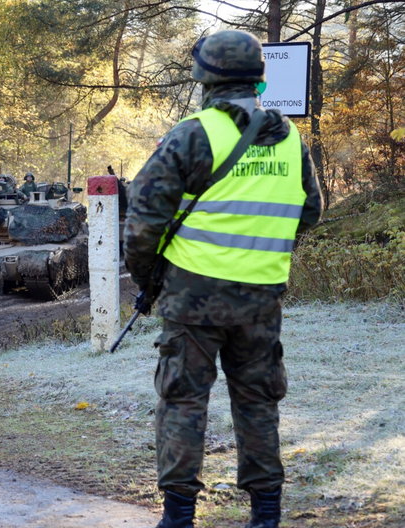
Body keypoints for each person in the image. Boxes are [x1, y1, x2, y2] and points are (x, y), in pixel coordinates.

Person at [123, 29, 323, 528]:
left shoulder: (193, 133)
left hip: (192, 298)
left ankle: (178, 516)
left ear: (204, 77)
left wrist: (149, 280)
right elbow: (311, 211)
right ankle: (266, 514)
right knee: (258, 403)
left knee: (183, 401)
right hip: (261, 298)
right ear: (258, 78)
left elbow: (143, 220)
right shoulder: (289, 136)